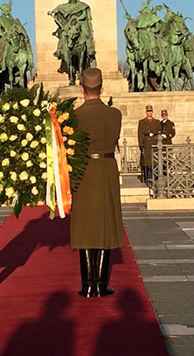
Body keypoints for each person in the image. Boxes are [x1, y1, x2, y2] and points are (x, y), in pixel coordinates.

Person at [71, 68, 125, 298]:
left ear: (82, 90)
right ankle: (101, 283)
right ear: (101, 89)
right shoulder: (115, 115)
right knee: (105, 224)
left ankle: (87, 284)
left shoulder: (74, 117)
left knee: (84, 226)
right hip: (106, 169)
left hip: (83, 171)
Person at [138, 105, 161, 186]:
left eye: (150, 111)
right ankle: (147, 178)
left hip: (154, 143)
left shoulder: (157, 122)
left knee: (155, 161)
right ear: (146, 112)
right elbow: (140, 134)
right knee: (147, 162)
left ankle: (155, 177)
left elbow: (159, 132)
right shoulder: (142, 122)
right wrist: (141, 145)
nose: (149, 113)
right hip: (146, 143)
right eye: (148, 111)